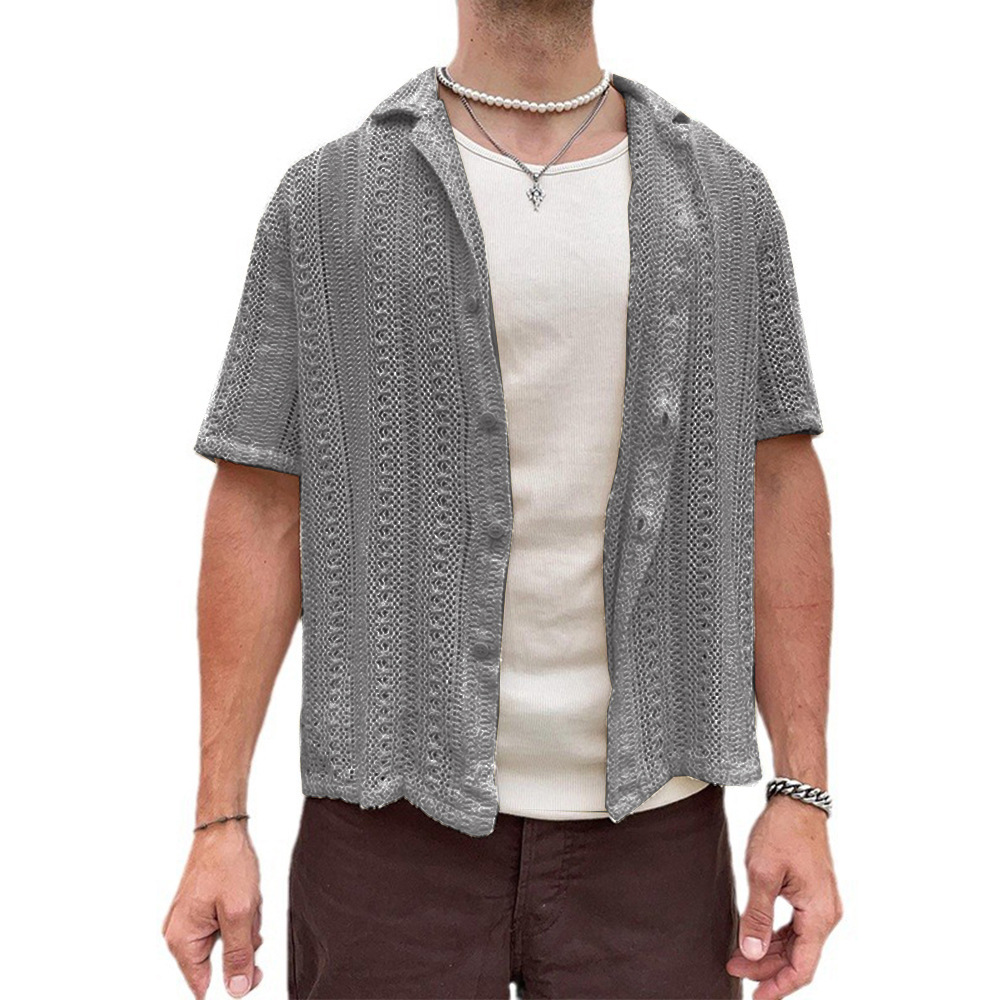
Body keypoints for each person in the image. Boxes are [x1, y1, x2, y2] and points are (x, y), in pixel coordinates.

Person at [162, 2, 842, 997]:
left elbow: (776, 484)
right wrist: (217, 818)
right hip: (385, 832)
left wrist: (802, 794)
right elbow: (260, 502)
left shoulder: (726, 199)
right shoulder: (329, 200)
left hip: (655, 834)